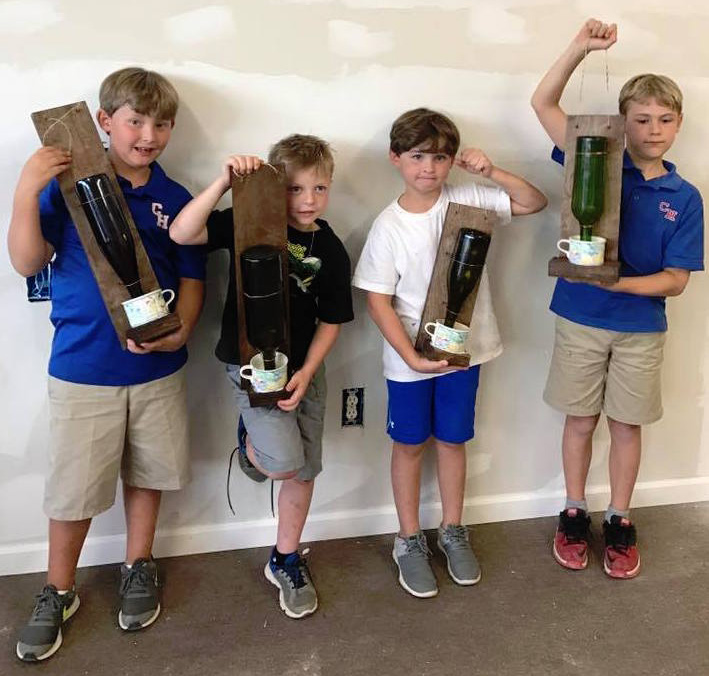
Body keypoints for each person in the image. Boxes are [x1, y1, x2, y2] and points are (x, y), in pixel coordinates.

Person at [8, 67, 205, 661]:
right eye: (135, 121)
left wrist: (182, 334)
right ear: (104, 121)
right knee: (73, 491)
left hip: (157, 371)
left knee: (148, 473)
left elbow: (193, 278)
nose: (148, 134)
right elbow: (25, 262)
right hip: (82, 369)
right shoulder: (65, 188)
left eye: (161, 123)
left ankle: (138, 566)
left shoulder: (175, 198)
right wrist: (24, 189)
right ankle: (58, 589)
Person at [530, 19, 704, 578]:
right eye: (642, 119)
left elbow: (676, 279)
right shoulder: (593, 160)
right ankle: (574, 511)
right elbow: (543, 101)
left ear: (678, 124)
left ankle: (621, 519)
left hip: (640, 328)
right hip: (580, 317)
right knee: (580, 420)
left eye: (665, 119)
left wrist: (617, 282)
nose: (654, 129)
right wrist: (580, 46)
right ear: (623, 124)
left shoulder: (685, 196)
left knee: (627, 425)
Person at [352, 107, 547, 598]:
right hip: (409, 361)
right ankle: (409, 538)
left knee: (454, 440)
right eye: (418, 156)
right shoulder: (389, 226)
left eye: (440, 157)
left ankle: (453, 530)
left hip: (467, 351)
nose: (429, 168)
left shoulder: (471, 199)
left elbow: (533, 202)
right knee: (410, 444)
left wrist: (491, 171)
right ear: (396, 158)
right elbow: (377, 301)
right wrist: (411, 357)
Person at [169, 134, 353, 618]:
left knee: (306, 469)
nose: (307, 200)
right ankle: (251, 438)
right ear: (275, 189)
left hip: (305, 369)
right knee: (283, 462)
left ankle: (285, 558)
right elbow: (183, 234)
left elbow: (333, 320)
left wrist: (308, 371)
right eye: (294, 189)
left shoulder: (330, 248)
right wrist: (224, 184)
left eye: (318, 189)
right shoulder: (249, 222)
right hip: (252, 365)